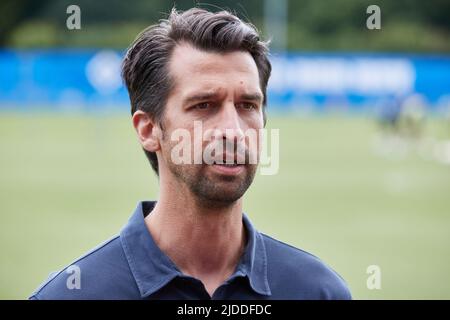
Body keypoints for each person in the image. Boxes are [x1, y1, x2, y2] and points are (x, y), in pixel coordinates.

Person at [30, 7, 351, 300]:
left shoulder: (318, 291)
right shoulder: (74, 295)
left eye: (247, 105)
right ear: (148, 129)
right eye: (203, 105)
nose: (233, 130)